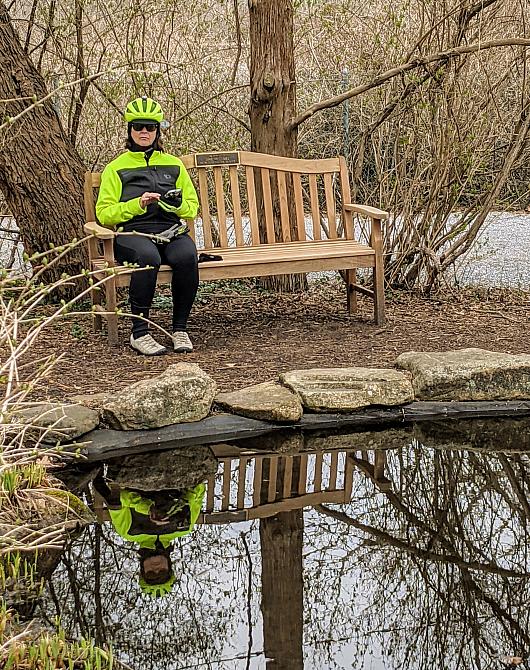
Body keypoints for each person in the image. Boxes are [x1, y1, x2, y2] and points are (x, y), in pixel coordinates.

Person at [95, 96, 200, 356]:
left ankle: (180, 329)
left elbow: (192, 208)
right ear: (130, 130)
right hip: (132, 234)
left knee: (187, 256)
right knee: (147, 257)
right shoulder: (115, 168)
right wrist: (136, 205)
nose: (144, 132)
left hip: (169, 231)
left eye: (150, 127)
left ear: (158, 131)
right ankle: (139, 333)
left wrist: (173, 205)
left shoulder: (174, 165)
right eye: (139, 126)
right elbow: (104, 214)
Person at [92, 472, 205, 597]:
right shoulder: (184, 528)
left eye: (151, 573)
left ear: (142, 569)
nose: (156, 568)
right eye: (161, 572)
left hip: (136, 472)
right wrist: (184, 500)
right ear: (169, 566)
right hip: (176, 472)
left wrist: (146, 507)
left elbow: (117, 499)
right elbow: (199, 489)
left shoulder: (128, 531)